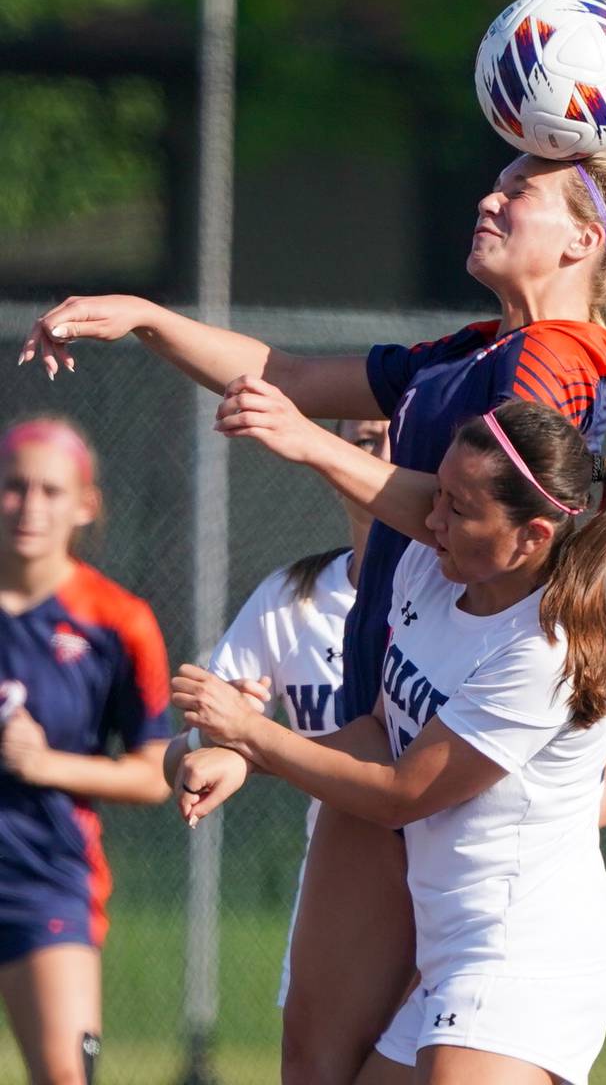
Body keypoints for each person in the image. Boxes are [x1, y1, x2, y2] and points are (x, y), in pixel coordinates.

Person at [19, 143, 606, 1079]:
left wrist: (311, 449)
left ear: (582, 242)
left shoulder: (553, 365)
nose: (490, 196)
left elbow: (473, 518)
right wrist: (150, 319)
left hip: (469, 849)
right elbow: (289, 371)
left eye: (521, 192)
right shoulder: (484, 351)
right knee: (315, 1063)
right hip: (391, 719)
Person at [171, 399, 606, 1084]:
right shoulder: (429, 572)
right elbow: (377, 735)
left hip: (520, 961)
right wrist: (243, 754)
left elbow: (401, 794)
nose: (433, 517)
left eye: (457, 507)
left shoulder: (540, 652)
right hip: (450, 948)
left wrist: (251, 731)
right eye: (437, 492)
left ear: (533, 537)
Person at [163, 416, 393, 1009]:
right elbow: (186, 753)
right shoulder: (293, 597)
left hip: (459, 901)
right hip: (338, 898)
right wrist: (217, 749)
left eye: (400, 432)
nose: (379, 452)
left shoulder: (468, 594)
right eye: (360, 439)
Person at [0, 417, 172, 1085]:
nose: (30, 506)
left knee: (68, 1076)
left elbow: (156, 770)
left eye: (50, 490)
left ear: (85, 504)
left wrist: (44, 764)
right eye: (14, 487)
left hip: (44, 874)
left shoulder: (116, 621)